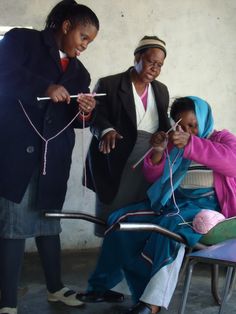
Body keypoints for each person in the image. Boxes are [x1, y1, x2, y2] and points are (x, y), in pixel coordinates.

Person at [78, 96, 236, 314]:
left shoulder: (222, 138)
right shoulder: (175, 142)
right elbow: (153, 176)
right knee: (120, 220)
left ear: (204, 117)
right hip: (174, 203)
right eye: (183, 126)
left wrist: (192, 144)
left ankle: (152, 303)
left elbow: (232, 163)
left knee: (169, 228)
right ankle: (101, 286)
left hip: (208, 206)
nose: (190, 131)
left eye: (194, 125)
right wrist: (159, 152)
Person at [0, 1, 99, 313]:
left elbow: (76, 120)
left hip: (52, 156)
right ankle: (8, 302)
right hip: (16, 150)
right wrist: (45, 86)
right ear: (66, 25)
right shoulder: (21, 40)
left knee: (49, 223)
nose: (85, 46)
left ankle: (55, 288)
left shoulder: (80, 72)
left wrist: (85, 112)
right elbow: (3, 72)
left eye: (90, 42)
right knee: (14, 225)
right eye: (83, 36)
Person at [84, 35, 171, 237]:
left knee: (141, 215)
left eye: (160, 65)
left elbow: (164, 123)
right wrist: (107, 131)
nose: (155, 69)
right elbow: (97, 116)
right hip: (117, 157)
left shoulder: (161, 90)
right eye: (151, 62)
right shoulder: (109, 84)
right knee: (114, 216)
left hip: (148, 160)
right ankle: (111, 259)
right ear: (137, 58)